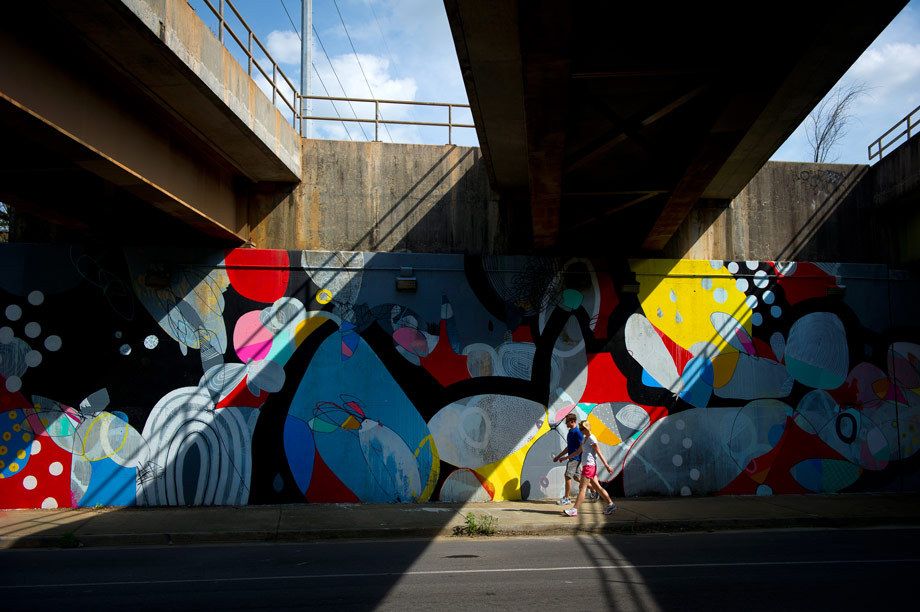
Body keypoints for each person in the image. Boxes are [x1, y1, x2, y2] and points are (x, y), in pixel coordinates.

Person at [558, 420, 617, 517]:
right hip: (588, 466)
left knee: (582, 488)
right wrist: (565, 457)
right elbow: (577, 452)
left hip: (589, 466)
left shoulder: (592, 439)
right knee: (597, 487)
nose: (580, 430)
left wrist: (607, 466)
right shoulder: (585, 439)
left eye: (582, 428)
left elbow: (599, 452)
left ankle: (574, 510)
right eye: (580, 428)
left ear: (586, 428)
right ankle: (611, 505)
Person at [552, 413, 583, 505]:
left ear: (572, 421)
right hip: (573, 458)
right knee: (577, 478)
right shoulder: (570, 432)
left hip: (575, 459)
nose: (566, 424)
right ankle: (593, 490)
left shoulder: (578, 433)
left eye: (567, 422)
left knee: (567, 476)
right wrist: (558, 456)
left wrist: (567, 457)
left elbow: (581, 448)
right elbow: (568, 448)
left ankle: (566, 498)